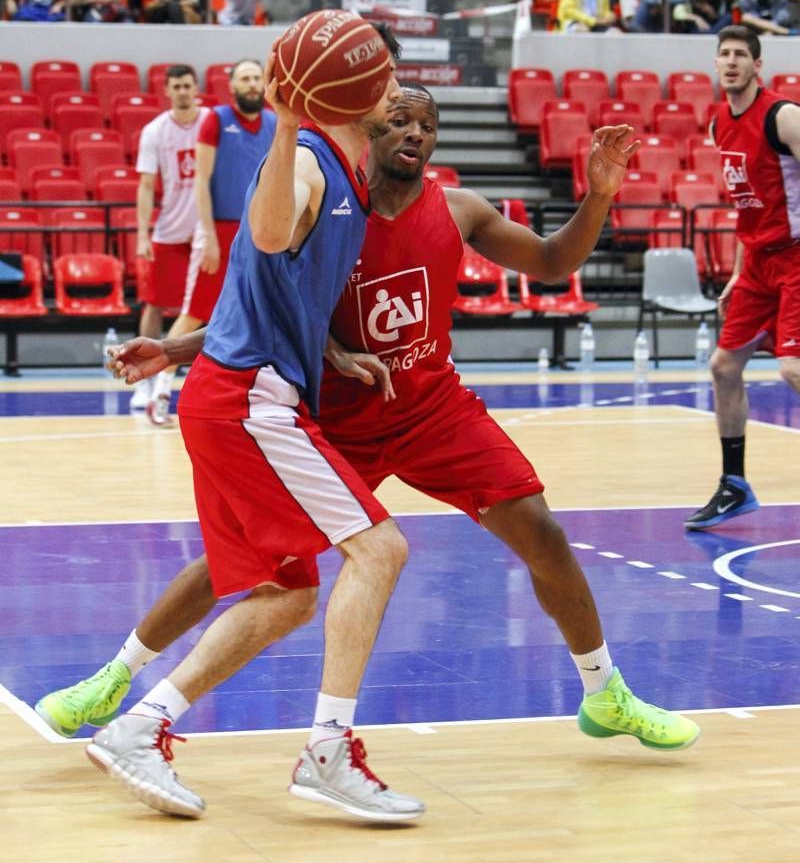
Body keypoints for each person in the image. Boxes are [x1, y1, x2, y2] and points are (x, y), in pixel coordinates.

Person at [36, 84, 700, 806]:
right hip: (337, 417)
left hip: (431, 407)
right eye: (401, 120)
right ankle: (115, 674)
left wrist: (599, 194)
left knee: (542, 530)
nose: (416, 132)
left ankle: (605, 692)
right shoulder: (331, 204)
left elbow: (548, 263)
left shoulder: (457, 208)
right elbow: (268, 304)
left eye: (429, 124)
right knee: (251, 563)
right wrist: (178, 348)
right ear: (369, 129)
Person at [56, 33, 429, 825]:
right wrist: (289, 125)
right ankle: (326, 749)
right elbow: (264, 235)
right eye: (384, 74)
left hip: (232, 393)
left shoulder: (351, 175)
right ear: (351, 86)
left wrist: (330, 348)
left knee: (287, 593)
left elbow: (269, 281)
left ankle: (140, 724)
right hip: (251, 402)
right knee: (381, 548)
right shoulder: (305, 159)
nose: (394, 88)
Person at [685, 25, 800, 529]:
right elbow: (747, 205)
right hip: (756, 263)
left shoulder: (784, 117)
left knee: (792, 368)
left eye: (741, 55)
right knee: (723, 367)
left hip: (796, 256)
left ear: (757, 65)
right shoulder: (717, 127)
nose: (731, 61)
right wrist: (735, 272)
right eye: (724, 54)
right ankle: (734, 485)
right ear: (716, 65)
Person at [149, 59, 278, 427]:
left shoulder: (273, 123)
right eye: (245, 79)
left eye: (257, 78)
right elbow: (201, 182)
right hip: (220, 231)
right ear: (233, 87)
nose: (252, 84)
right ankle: (160, 390)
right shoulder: (216, 120)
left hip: (259, 231)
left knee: (262, 313)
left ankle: (256, 394)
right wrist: (206, 236)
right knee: (193, 313)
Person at [134, 66, 208, 416]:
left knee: (202, 309)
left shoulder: (212, 122)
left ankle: (196, 378)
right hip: (169, 230)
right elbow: (147, 185)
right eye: (176, 86)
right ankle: (145, 381)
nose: (182, 91)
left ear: (196, 88)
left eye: (187, 86)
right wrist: (142, 234)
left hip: (207, 232)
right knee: (154, 304)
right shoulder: (155, 131)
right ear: (167, 90)